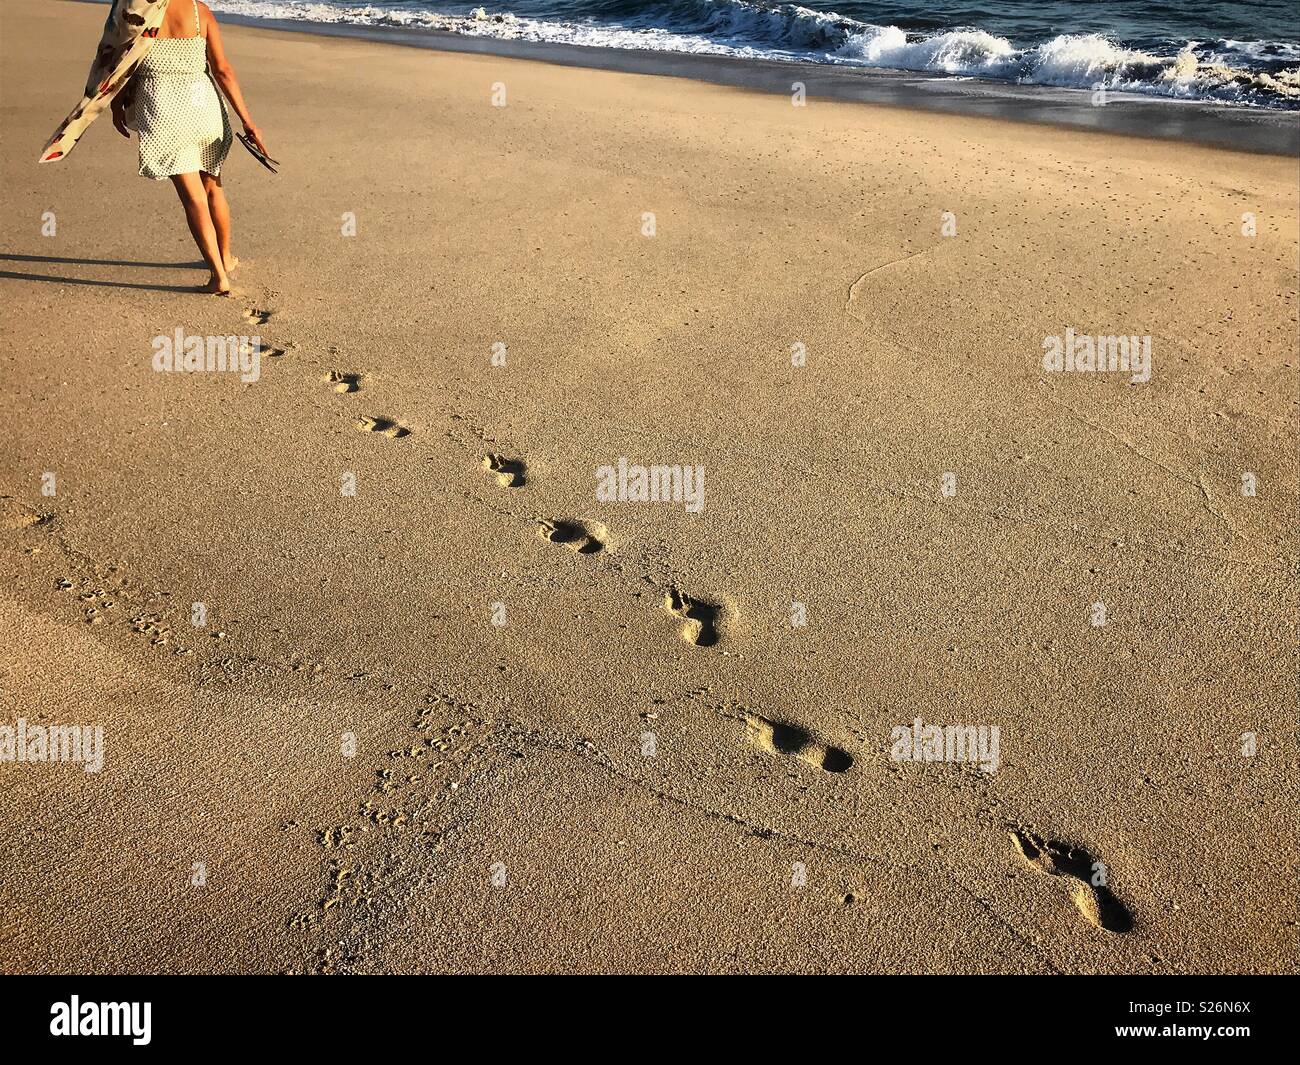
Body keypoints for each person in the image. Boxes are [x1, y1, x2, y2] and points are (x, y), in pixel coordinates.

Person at [111, 0, 268, 294]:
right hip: (204, 106)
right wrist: (249, 122)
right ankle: (225, 258)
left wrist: (116, 102)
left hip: (163, 111)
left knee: (193, 198)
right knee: (213, 187)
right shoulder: (201, 11)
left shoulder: (137, 12)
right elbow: (223, 70)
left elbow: (123, 64)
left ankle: (218, 277)